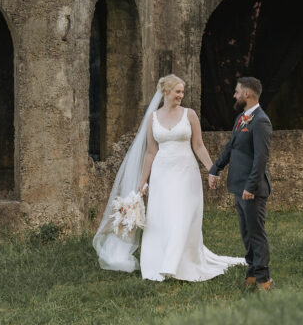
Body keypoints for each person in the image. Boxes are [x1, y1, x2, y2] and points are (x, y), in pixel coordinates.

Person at [94, 74, 245, 281]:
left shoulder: (189, 115)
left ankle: (174, 265)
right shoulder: (153, 118)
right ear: (165, 92)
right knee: (162, 217)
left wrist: (212, 169)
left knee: (182, 215)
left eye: (182, 92)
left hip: (186, 173)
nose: (181, 95)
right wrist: (142, 181)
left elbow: (198, 146)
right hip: (161, 174)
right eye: (177, 92)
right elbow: (150, 151)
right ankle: (159, 261)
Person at [208, 77, 273, 291]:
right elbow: (230, 147)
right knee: (246, 233)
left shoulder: (261, 121)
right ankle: (252, 273)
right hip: (238, 187)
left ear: (247, 94)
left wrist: (251, 187)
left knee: (256, 233)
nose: (234, 95)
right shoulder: (241, 118)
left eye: (237, 92)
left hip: (251, 190)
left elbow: (261, 158)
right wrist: (215, 168)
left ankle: (264, 279)